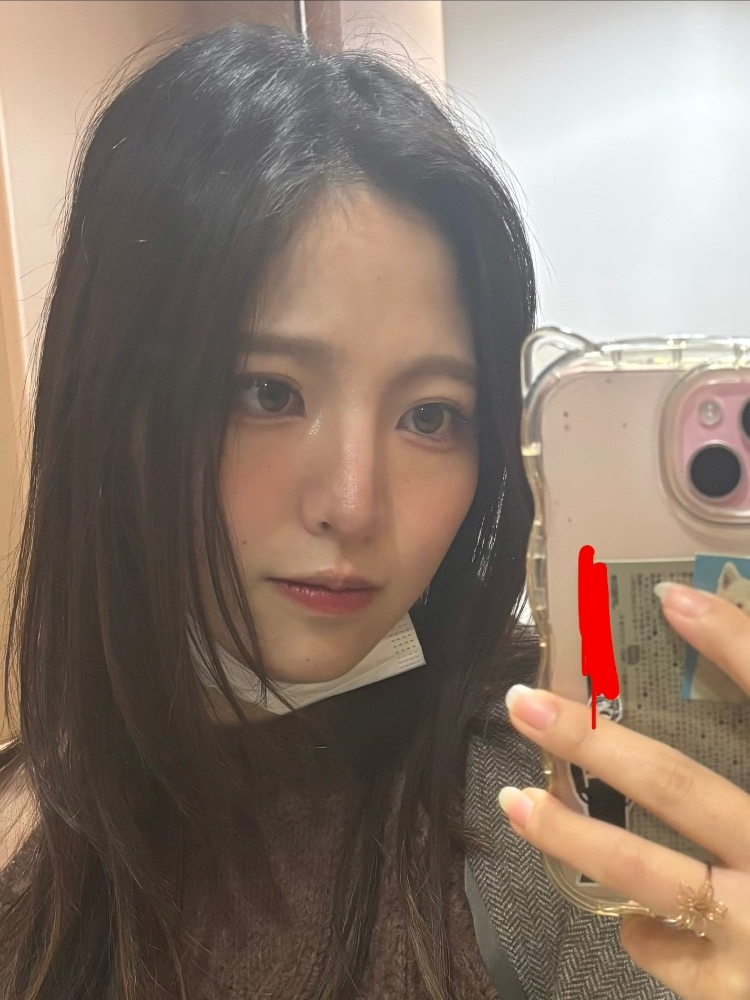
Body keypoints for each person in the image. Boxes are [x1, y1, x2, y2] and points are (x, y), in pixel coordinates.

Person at [0, 23, 748, 1000]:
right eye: (266, 392)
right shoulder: (25, 841)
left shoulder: (541, 800)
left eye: (431, 416)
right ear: (115, 404)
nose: (353, 505)